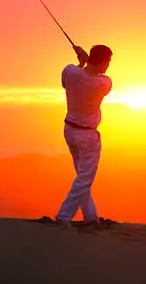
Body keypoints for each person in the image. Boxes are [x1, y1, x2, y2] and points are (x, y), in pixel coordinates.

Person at [55, 44, 113, 226]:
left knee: (82, 177)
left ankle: (90, 217)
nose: (108, 65)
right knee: (84, 178)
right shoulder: (104, 82)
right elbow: (94, 78)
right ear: (103, 60)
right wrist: (85, 62)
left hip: (69, 131)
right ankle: (63, 217)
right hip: (87, 136)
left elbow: (67, 83)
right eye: (108, 61)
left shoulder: (70, 71)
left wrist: (81, 63)